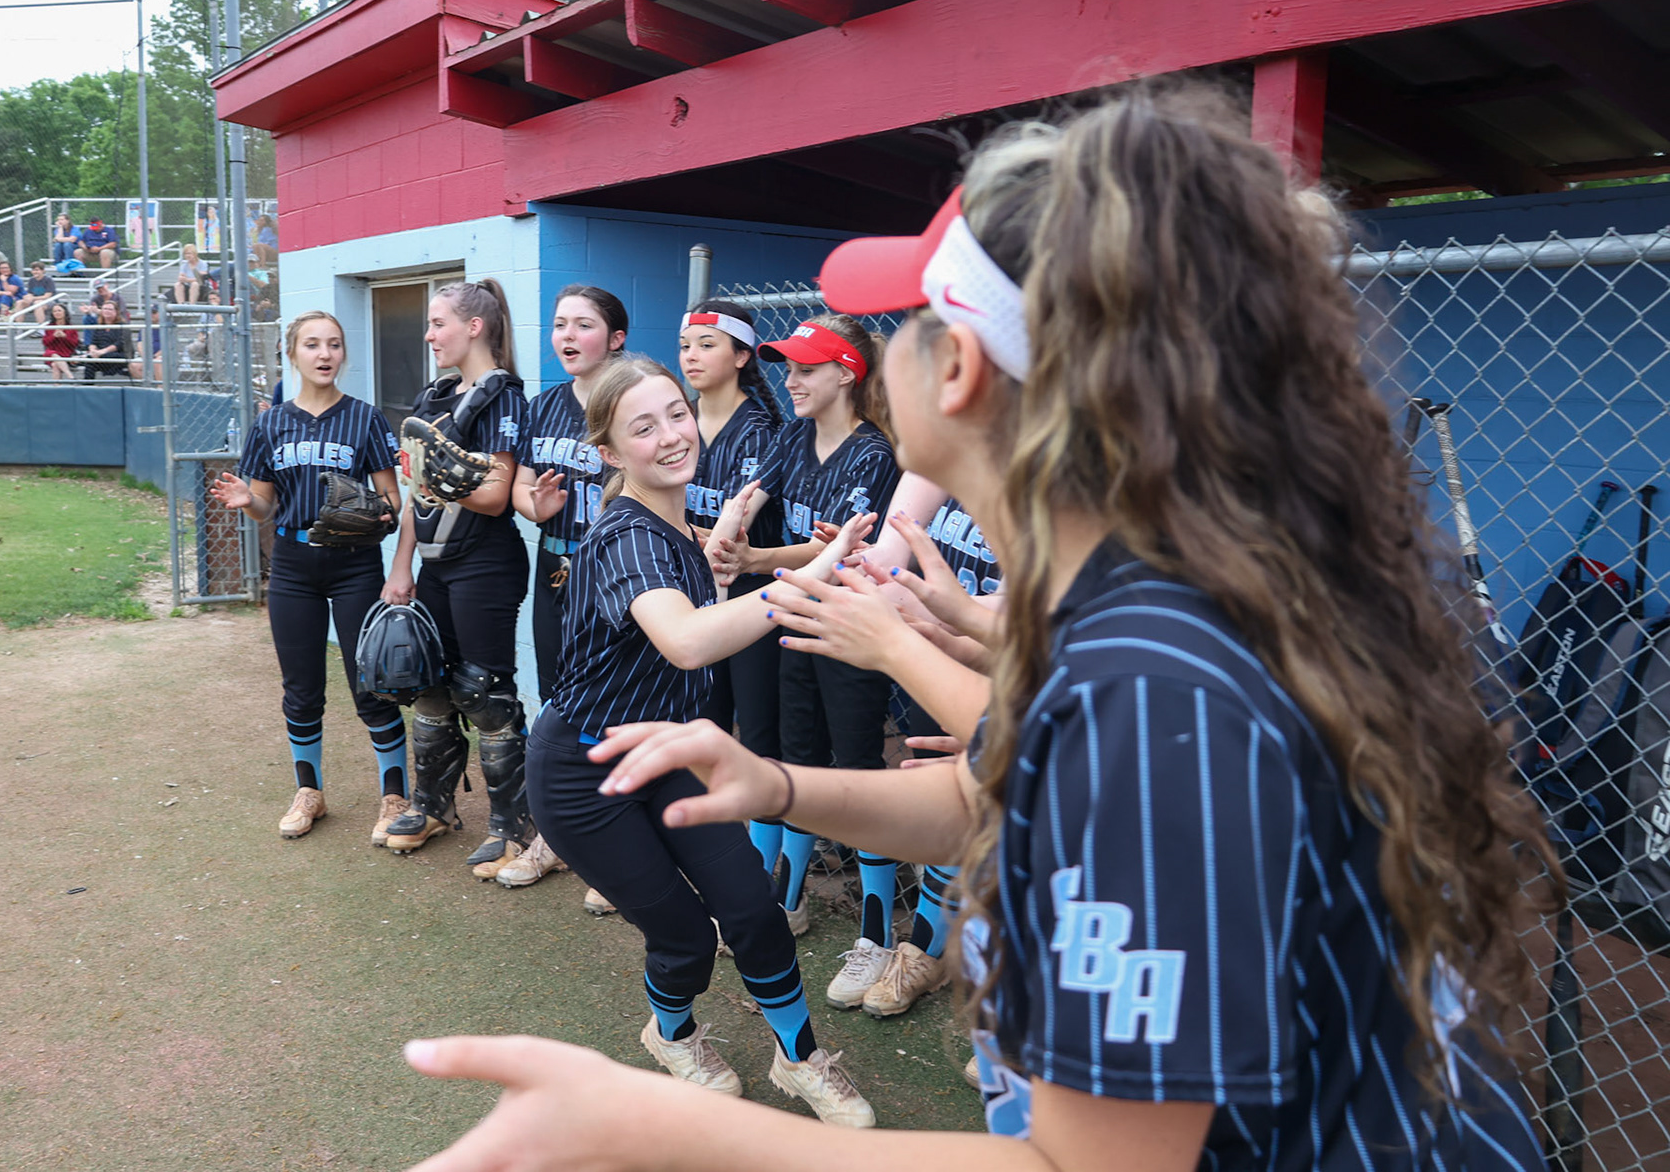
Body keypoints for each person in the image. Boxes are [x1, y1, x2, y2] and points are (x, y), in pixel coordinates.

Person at [405, 90, 1554, 1171]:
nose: (877, 341)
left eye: (905, 314)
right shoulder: (1149, 598)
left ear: (958, 370)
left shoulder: (1152, 690)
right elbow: (1016, 791)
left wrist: (667, 1130)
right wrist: (780, 786)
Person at [510, 354, 876, 1127]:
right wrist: (818, 572)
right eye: (643, 427)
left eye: (677, 413)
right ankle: (671, 1033)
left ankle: (800, 1059)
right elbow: (684, 642)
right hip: (588, 772)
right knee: (683, 936)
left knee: (753, 907)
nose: (673, 434)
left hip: (671, 751)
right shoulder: (627, 537)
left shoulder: (675, 523)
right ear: (610, 452)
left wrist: (725, 549)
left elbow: (683, 606)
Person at [705, 313, 901, 1007]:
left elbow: (842, 555)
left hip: (851, 631)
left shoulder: (874, 453)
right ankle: (785, 901)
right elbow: (748, 496)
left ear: (846, 373)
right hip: (794, 617)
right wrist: (727, 536)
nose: (790, 380)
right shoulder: (792, 434)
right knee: (794, 763)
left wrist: (756, 557)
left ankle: (876, 938)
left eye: (806, 369)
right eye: (787, 367)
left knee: (857, 776)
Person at [209, 311, 410, 842]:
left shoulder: (365, 418)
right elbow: (263, 507)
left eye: (335, 345)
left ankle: (394, 797)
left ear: (344, 354)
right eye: (313, 345)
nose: (325, 354)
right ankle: (309, 792)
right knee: (301, 687)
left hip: (353, 564)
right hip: (294, 565)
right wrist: (245, 499)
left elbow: (391, 499)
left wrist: (378, 512)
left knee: (372, 684)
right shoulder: (270, 423)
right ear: (292, 354)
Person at [381, 279, 531, 872]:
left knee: (486, 694)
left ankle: (511, 825)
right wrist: (401, 566)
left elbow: (495, 497)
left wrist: (448, 480)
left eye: (439, 322)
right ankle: (434, 805)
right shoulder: (434, 396)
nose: (429, 334)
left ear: (474, 327)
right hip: (435, 565)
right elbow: (418, 495)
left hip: (487, 564)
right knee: (430, 685)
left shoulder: (504, 400)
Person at [494, 284, 629, 892]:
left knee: (617, 707)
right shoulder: (543, 406)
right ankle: (556, 837)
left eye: (584, 325)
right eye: (559, 325)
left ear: (616, 338)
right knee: (557, 702)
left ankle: (616, 850)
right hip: (555, 566)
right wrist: (534, 504)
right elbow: (522, 491)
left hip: (617, 577)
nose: (568, 337)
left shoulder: (631, 403)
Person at [676, 300, 790, 888]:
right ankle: (712, 862)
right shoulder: (676, 422)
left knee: (760, 733)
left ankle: (765, 877)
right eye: (685, 344)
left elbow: (740, 515)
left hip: (752, 602)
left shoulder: (766, 430)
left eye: (706, 344)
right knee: (702, 723)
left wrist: (710, 538)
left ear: (743, 357)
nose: (691, 355)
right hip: (693, 599)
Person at [82, 301, 133, 380]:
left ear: (116, 312)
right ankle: (87, 386)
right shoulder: (99, 326)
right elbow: (93, 342)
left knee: (91, 358)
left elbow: (120, 343)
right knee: (90, 361)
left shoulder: (123, 326)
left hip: (120, 355)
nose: (107, 311)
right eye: (105, 309)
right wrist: (93, 351)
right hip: (100, 355)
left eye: (110, 309)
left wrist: (101, 352)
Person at [41, 301, 81, 381]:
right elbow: (45, 342)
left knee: (55, 365)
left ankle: (56, 387)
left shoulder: (71, 327)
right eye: (55, 311)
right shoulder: (49, 327)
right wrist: (53, 336)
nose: (57, 313)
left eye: (59, 310)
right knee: (52, 354)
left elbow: (75, 343)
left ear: (64, 312)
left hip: (66, 352)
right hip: (52, 352)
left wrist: (65, 336)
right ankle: (70, 376)